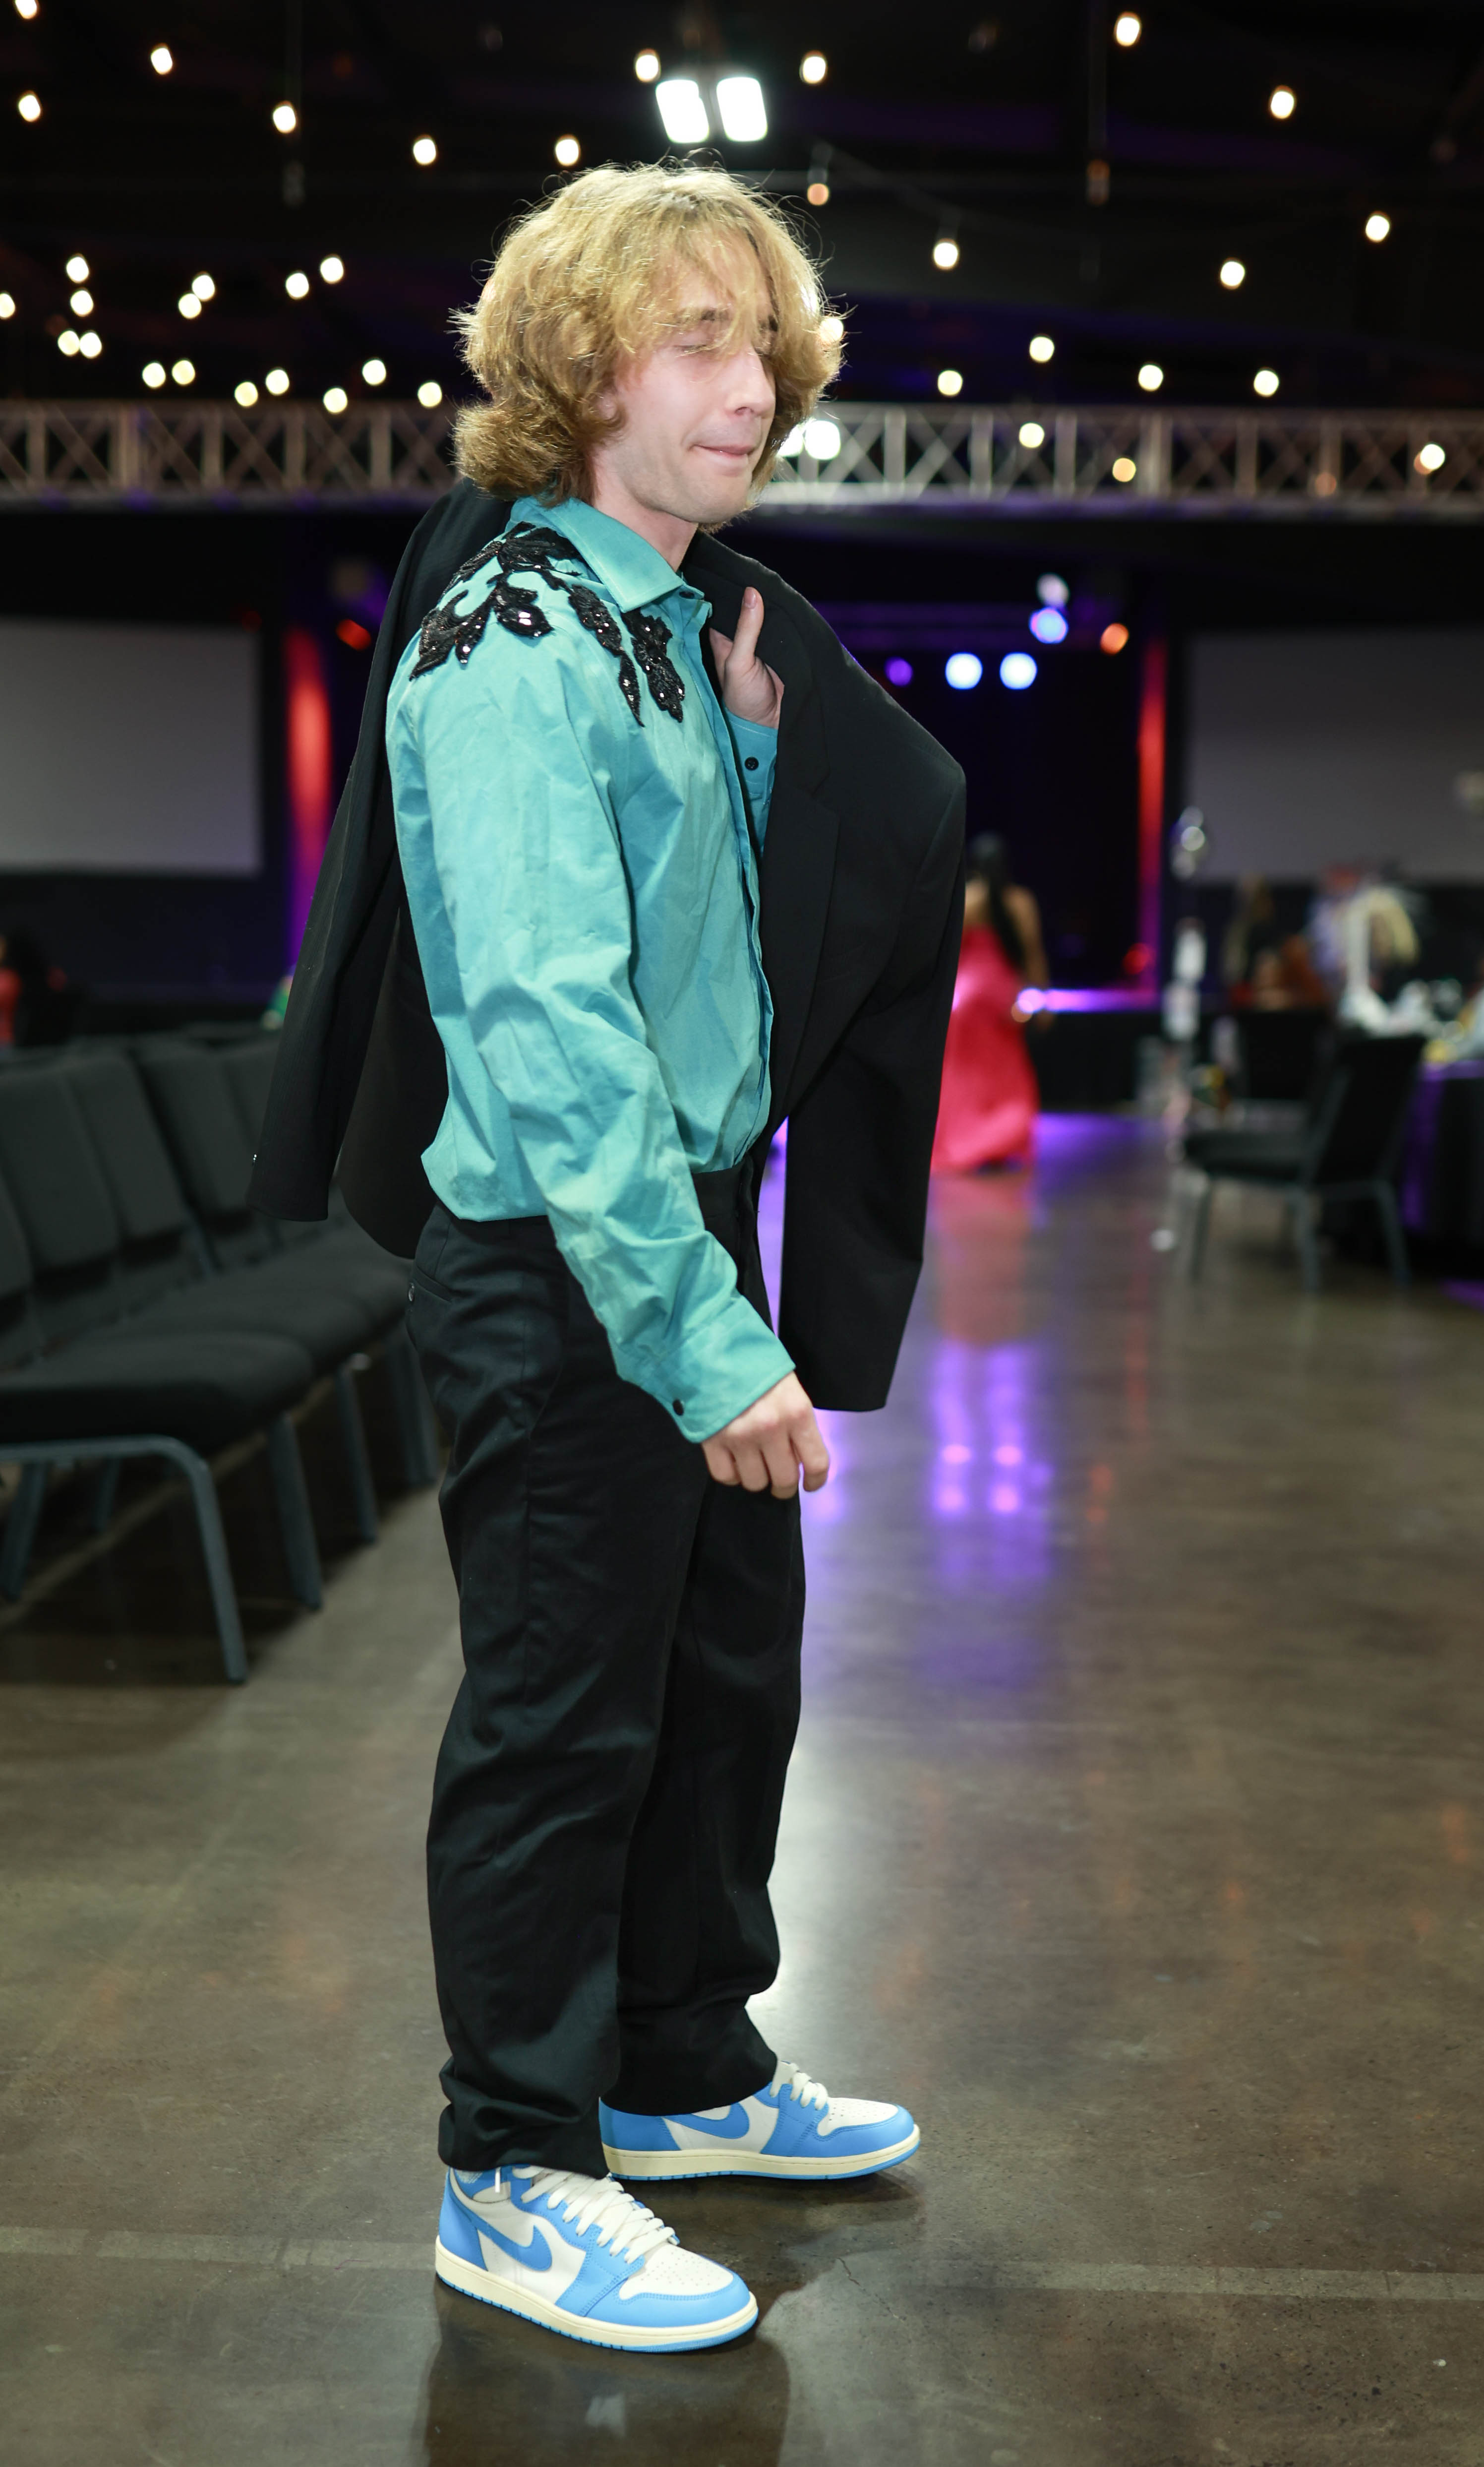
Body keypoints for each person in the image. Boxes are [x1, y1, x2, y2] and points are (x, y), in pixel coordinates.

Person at [249, 166, 966, 2357]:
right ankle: (510, 2165)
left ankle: (675, 2062)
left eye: (765, 347)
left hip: (676, 1234)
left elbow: (694, 951)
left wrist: (746, 759)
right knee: (561, 1719)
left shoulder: (673, 634)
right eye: (693, 341)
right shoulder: (509, 644)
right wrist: (694, 1328)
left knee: (719, 1680)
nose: (750, 389)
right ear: (579, 373)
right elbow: (552, 1030)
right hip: (571, 1262)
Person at [930, 832, 1048, 1173]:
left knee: (963, 1077)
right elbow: (1033, 956)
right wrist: (1041, 1000)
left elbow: (948, 955)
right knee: (1004, 1073)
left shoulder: (968, 899)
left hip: (966, 1002)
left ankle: (966, 1143)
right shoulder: (1021, 902)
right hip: (1003, 999)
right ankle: (998, 1141)